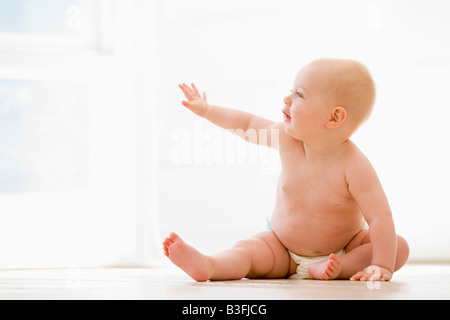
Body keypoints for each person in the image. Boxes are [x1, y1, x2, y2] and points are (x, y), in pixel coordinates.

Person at [163, 58, 409, 281]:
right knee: (249, 250)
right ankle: (210, 265)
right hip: (282, 249)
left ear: (334, 118)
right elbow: (247, 124)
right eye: (291, 91)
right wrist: (207, 110)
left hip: (344, 248)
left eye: (300, 95)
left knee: (398, 246)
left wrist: (381, 265)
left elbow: (379, 218)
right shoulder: (285, 138)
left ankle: (339, 267)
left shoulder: (355, 166)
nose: (287, 99)